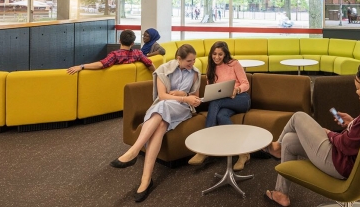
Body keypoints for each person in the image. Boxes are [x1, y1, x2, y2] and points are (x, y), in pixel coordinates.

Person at [264, 59, 360, 207]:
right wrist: (352, 122)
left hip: (339, 162)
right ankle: (281, 193)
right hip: (344, 160)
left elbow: (346, 144)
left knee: (298, 116)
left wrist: (329, 133)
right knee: (290, 141)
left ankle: (277, 146)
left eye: (358, 88)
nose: (357, 92)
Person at [109, 44, 202, 203]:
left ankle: (134, 150)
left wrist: (185, 96)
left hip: (183, 109)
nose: (192, 64)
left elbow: (195, 99)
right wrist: (183, 97)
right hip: (164, 105)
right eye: (189, 61)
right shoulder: (163, 70)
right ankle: (146, 180)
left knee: (162, 108)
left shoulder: (195, 73)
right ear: (178, 58)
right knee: (160, 125)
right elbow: (162, 96)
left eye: (193, 61)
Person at [187, 41, 251, 170]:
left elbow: (246, 84)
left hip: (241, 99)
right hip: (224, 102)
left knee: (216, 102)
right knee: (221, 116)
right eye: (214, 54)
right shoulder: (211, 68)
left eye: (220, 54)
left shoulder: (234, 64)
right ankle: (243, 153)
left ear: (225, 54)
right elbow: (212, 89)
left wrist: (236, 90)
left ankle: (204, 148)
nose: (217, 57)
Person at [66, 29, 154, 75]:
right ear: (132, 43)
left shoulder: (115, 55)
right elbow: (149, 63)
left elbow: (101, 64)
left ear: (119, 40)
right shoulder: (138, 53)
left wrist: (81, 66)